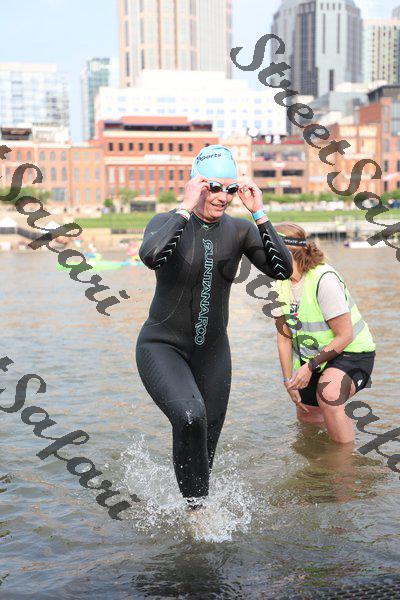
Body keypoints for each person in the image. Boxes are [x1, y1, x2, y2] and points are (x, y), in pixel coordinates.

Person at [136, 144, 293, 508]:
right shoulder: (165, 221)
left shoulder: (239, 230)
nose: (223, 196)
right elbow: (152, 256)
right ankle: (196, 515)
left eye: (230, 188)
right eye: (214, 187)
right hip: (162, 345)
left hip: (213, 353)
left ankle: (194, 507)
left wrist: (259, 213)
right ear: (196, 185)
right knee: (190, 417)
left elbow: (283, 269)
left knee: (205, 439)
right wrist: (184, 208)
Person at [271, 222, 376, 444]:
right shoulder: (278, 283)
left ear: (284, 252)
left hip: (352, 352)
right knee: (307, 413)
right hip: (315, 358)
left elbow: (345, 335)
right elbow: (284, 338)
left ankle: (345, 462)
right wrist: (288, 380)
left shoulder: (323, 279)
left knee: (329, 396)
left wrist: (309, 367)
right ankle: (318, 461)